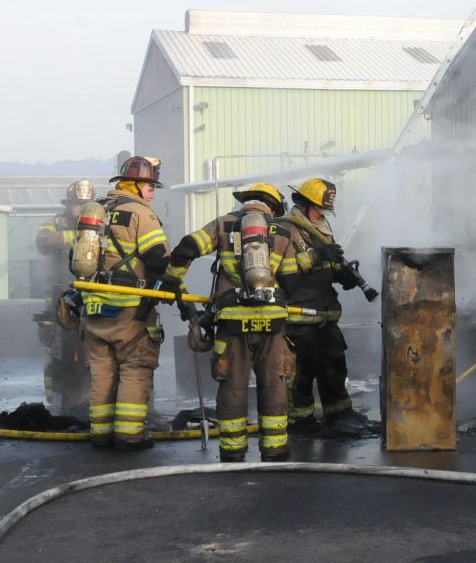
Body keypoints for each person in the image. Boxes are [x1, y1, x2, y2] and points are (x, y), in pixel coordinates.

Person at [161, 182, 297, 462]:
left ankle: (233, 452)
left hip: (231, 320)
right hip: (272, 322)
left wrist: (172, 279)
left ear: (245, 202)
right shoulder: (284, 232)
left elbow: (187, 247)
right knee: (274, 382)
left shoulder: (222, 224)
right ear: (272, 207)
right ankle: (275, 449)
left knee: (233, 384)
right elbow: (293, 282)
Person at [81, 156, 169, 450]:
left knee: (102, 373)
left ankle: (101, 434)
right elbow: (159, 259)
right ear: (134, 185)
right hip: (130, 308)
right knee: (135, 368)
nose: (153, 193)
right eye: (149, 186)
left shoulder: (98, 213)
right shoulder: (141, 214)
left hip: (94, 307)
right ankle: (129, 436)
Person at [278, 177, 373, 436]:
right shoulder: (287, 229)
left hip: (324, 312)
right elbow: (284, 272)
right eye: (318, 208)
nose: (321, 214)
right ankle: (300, 421)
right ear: (304, 202)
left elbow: (322, 268)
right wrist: (319, 255)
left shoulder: (319, 227)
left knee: (334, 364)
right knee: (302, 372)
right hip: (299, 315)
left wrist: (342, 274)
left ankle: (339, 414)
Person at [34, 179, 94, 416]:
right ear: (69, 205)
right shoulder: (53, 224)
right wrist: (80, 237)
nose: (81, 209)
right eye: (78, 204)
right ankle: (55, 399)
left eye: (86, 204)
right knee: (53, 349)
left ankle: (87, 398)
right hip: (57, 296)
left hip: (90, 295)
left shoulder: (100, 226)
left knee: (89, 350)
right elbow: (44, 242)